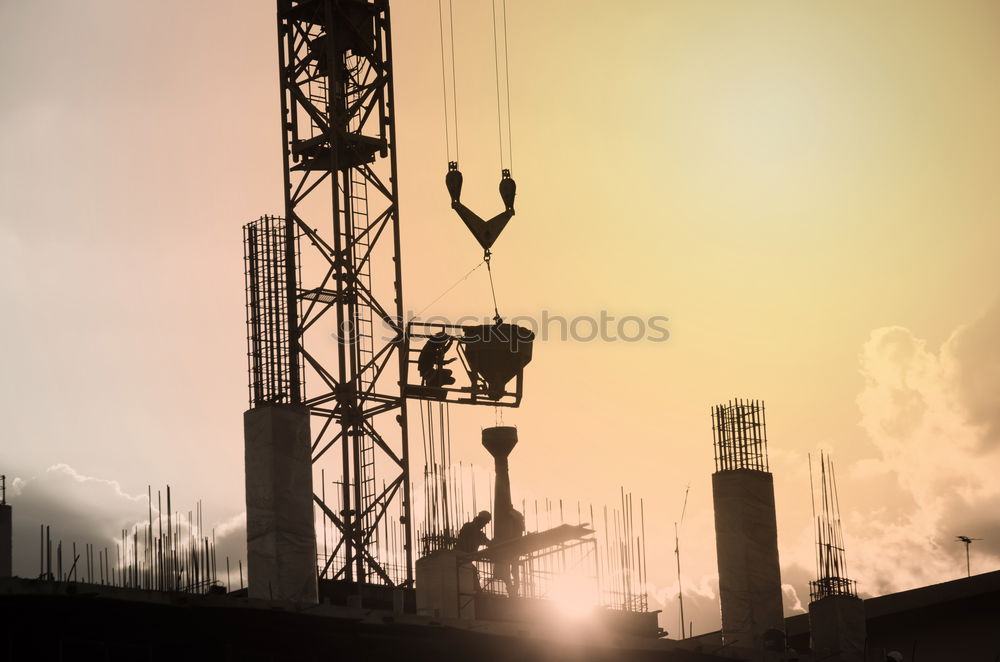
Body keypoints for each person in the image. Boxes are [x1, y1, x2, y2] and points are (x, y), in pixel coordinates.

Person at [493, 508, 525, 597]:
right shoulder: (517, 520)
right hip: (512, 549)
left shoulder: (516, 521)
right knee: (510, 570)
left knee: (512, 570)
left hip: (513, 549)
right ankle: (512, 588)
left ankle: (513, 588)